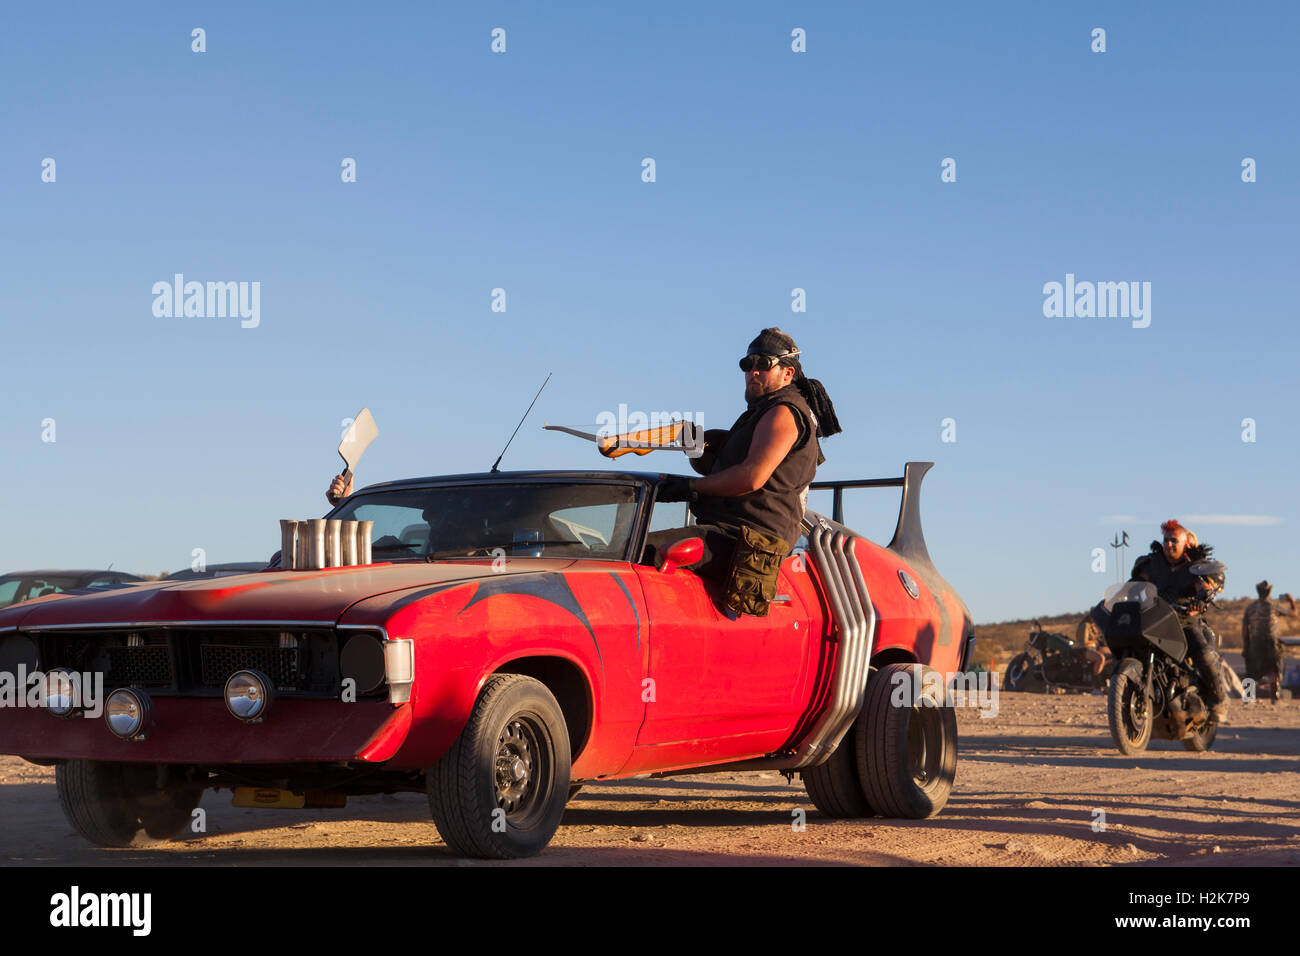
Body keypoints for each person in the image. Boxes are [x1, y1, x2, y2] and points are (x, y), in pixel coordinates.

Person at [648, 327, 841, 616]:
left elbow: (751, 477)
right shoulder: (761, 412)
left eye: (763, 364)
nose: (753, 371)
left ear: (788, 373)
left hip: (744, 543)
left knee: (642, 551)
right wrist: (697, 446)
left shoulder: (784, 412)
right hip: (727, 533)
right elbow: (721, 465)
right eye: (747, 364)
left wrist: (689, 488)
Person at [1129, 519, 1229, 721]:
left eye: (1174, 541)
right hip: (1153, 620)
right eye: (1166, 540)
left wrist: (1202, 600)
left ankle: (1219, 700)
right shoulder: (1151, 564)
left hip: (1184, 621)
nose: (1169, 545)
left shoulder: (1196, 568)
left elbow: (1205, 588)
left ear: (1185, 543)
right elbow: (1135, 586)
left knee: (1204, 653)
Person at [1242, 580, 1293, 701]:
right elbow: (1294, 613)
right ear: (1269, 592)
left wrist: (1246, 645)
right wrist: (1291, 601)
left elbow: (1244, 628)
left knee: (1251, 669)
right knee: (1273, 668)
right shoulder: (1274, 606)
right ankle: (1274, 696)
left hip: (1255, 642)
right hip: (1271, 641)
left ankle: (1249, 697)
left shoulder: (1250, 608)